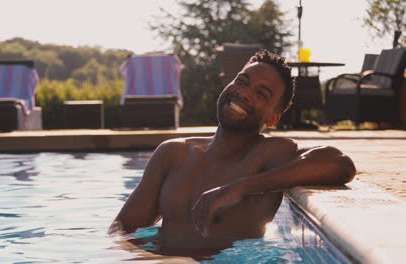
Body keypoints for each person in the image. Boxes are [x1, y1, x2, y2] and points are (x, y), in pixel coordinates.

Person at [108, 50, 356, 250]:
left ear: (273, 118)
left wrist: (239, 188)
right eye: (242, 80)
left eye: (262, 93)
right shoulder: (173, 153)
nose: (244, 93)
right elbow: (123, 228)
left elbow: (339, 163)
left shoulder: (268, 154)